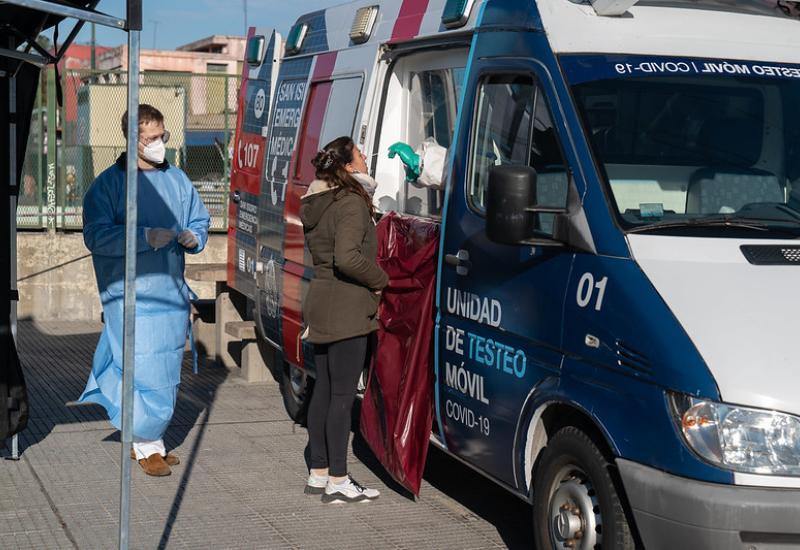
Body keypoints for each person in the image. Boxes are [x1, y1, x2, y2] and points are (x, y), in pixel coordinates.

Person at [78, 104, 210, 477]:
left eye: (162, 137)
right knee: (140, 366)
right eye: (151, 139)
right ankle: (143, 441)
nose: (159, 145)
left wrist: (193, 236)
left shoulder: (178, 181)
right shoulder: (109, 185)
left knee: (166, 366)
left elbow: (199, 219)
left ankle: (154, 439)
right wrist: (143, 237)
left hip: (169, 293)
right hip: (131, 294)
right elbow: (96, 234)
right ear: (132, 139)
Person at [299, 136, 388, 503]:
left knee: (323, 389)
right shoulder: (351, 202)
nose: (367, 158)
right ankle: (339, 478)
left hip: (321, 301)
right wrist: (382, 280)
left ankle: (319, 472)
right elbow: (347, 258)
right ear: (349, 166)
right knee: (341, 396)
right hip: (348, 308)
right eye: (361, 154)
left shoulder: (320, 201)